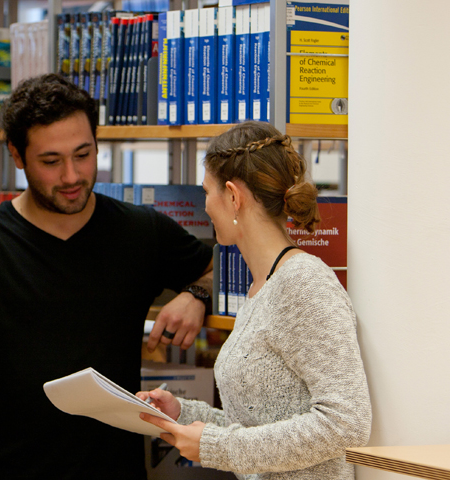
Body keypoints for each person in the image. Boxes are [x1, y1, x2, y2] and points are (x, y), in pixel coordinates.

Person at [0, 73, 214, 479]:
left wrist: (197, 294)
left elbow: (220, 271)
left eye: (84, 155)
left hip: (110, 470)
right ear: (17, 155)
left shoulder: (141, 230)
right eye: (51, 161)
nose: (71, 176)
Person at [138, 121, 371, 479]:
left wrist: (215, 446)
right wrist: (181, 412)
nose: (205, 206)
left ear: (233, 196)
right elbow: (254, 423)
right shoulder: (260, 286)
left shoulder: (305, 284)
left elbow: (346, 421)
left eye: (207, 192)